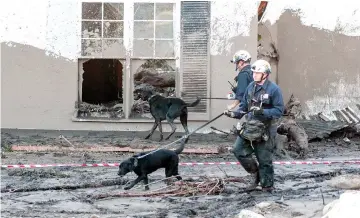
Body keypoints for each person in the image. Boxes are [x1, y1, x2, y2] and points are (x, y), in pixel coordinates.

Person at [224, 59, 285, 192]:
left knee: (264, 159)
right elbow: (244, 107)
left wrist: (263, 111)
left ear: (265, 74)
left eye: (257, 73)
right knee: (238, 150)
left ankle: (267, 186)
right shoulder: (250, 87)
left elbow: (279, 111)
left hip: (266, 129)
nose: (254, 75)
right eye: (254, 72)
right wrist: (234, 114)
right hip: (250, 126)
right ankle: (255, 173)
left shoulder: (274, 89)